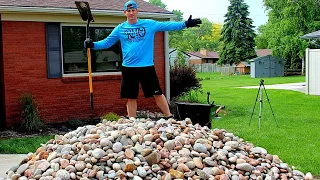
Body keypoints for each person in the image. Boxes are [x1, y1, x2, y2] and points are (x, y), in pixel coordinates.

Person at [84, 0, 202, 119]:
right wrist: (92, 45)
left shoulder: (149, 24)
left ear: (137, 11)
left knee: (157, 93)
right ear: (125, 12)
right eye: (128, 11)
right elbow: (107, 42)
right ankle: (132, 121)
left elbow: (168, 26)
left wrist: (185, 24)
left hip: (146, 67)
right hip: (128, 68)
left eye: (133, 10)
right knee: (131, 97)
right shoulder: (120, 28)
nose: (131, 13)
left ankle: (169, 116)